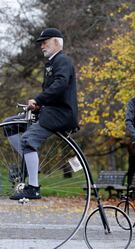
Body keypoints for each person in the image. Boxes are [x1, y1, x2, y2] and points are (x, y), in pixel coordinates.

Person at [4, 28, 78, 200]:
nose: (42, 46)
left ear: (57, 42)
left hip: (61, 114)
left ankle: (34, 187)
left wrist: (38, 100)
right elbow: (54, 90)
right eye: (41, 43)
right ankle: (30, 163)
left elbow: (60, 85)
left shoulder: (63, 60)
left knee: (28, 140)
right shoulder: (52, 63)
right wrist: (38, 106)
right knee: (10, 125)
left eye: (45, 42)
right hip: (48, 112)